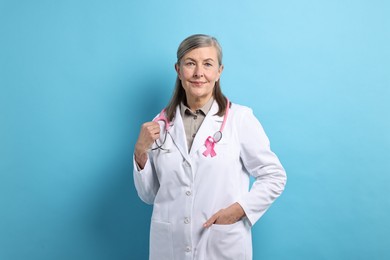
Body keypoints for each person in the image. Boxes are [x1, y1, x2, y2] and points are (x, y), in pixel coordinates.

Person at [133, 34, 286, 260]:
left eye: (207, 64)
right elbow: (149, 195)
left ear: (219, 71)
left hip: (221, 244)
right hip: (170, 246)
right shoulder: (159, 125)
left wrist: (239, 210)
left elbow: (274, 176)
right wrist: (140, 153)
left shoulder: (240, 119)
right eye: (190, 63)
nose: (198, 73)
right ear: (178, 69)